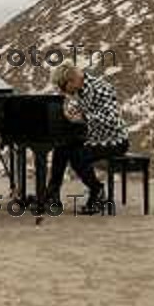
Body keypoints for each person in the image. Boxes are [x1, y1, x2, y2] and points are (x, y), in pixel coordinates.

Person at [46, 62, 129, 214]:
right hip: (94, 137)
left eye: (63, 87)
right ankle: (52, 194)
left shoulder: (100, 88)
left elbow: (112, 118)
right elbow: (82, 110)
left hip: (114, 140)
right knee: (61, 146)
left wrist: (84, 117)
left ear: (72, 81)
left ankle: (97, 191)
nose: (63, 91)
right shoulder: (81, 90)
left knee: (78, 155)